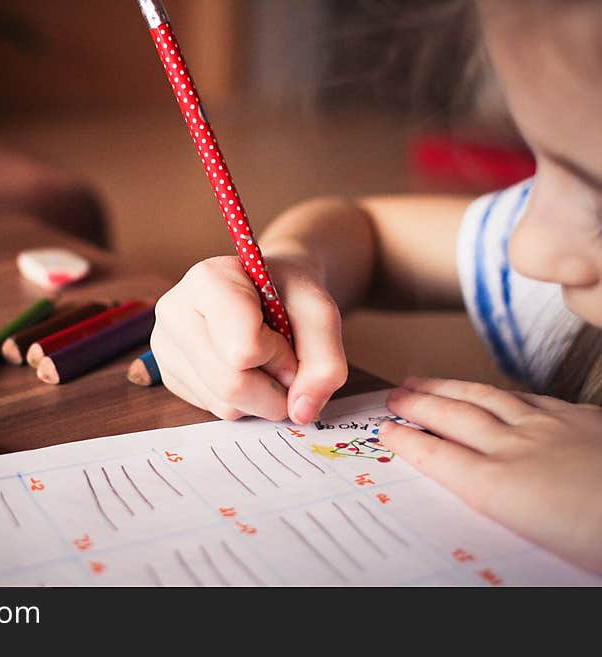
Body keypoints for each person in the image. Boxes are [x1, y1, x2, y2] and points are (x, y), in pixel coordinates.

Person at [150, 0, 602, 575]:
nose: (524, 248)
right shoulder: (560, 268)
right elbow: (367, 234)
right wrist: (294, 266)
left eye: (597, 198)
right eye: (538, 165)